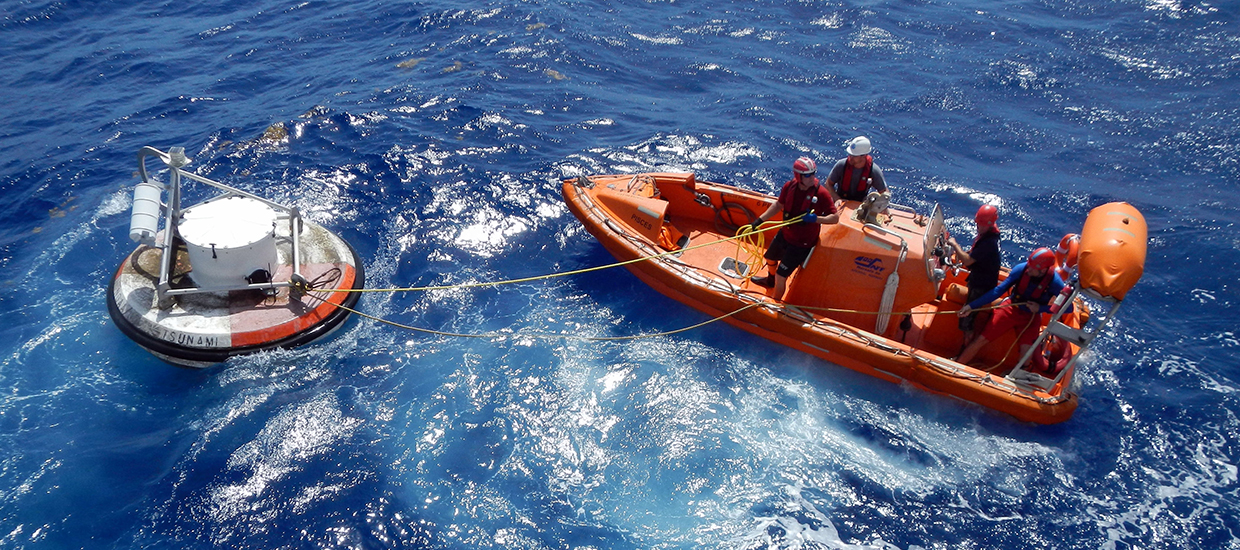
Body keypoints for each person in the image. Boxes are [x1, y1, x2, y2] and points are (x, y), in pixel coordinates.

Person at [743, 157, 840, 300]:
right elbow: (778, 205)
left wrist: (815, 219)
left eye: (813, 173)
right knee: (769, 258)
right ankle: (770, 281)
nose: (812, 177)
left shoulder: (821, 194)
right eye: (808, 175)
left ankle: (774, 304)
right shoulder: (789, 187)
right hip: (786, 233)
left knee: (781, 275)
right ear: (798, 176)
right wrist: (758, 221)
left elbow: (835, 218)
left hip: (802, 244)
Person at [955, 247, 1067, 366]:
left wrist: (1040, 309)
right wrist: (972, 306)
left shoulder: (1055, 283)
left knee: (1026, 357)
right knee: (980, 340)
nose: (1028, 269)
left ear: (1043, 270)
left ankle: (1015, 378)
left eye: (1033, 268)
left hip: (1031, 316)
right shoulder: (1021, 269)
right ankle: (957, 365)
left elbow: (1067, 308)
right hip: (1011, 308)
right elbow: (998, 290)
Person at [946, 204, 1003, 348]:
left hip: (980, 287)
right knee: (967, 316)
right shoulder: (989, 237)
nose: (978, 227)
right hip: (980, 281)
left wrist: (955, 245)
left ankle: (964, 350)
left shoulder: (989, 243)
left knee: (967, 320)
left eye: (981, 225)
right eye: (977, 224)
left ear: (989, 225)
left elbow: (967, 261)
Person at [825, 136, 890, 210]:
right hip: (841, 203)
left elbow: (884, 192)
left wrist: (879, 206)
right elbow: (828, 184)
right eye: (850, 154)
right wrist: (837, 198)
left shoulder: (873, 170)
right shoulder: (841, 165)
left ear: (864, 156)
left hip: (860, 206)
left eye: (854, 156)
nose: (850, 157)